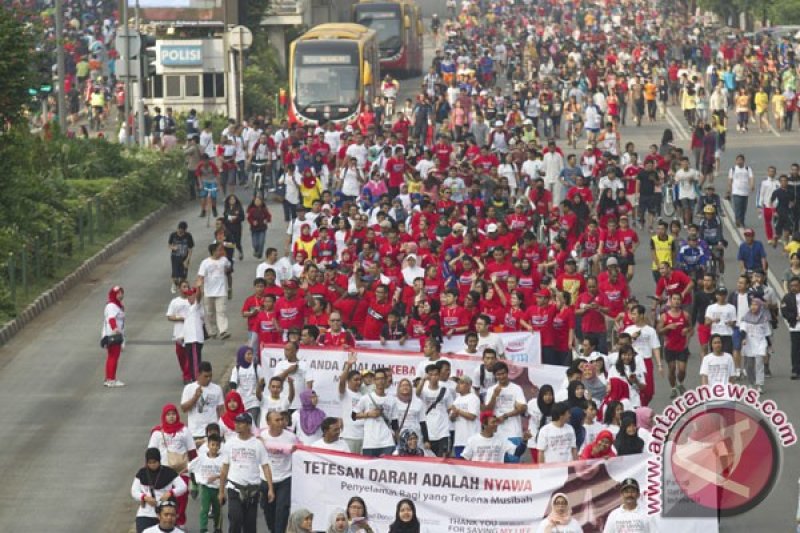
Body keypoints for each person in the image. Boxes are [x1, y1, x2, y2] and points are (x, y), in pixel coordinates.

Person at [219, 412, 275, 533]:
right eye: (236, 422)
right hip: (235, 488)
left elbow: (265, 466)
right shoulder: (230, 444)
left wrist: (270, 488)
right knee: (236, 519)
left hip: (252, 490)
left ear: (249, 425)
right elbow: (224, 468)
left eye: (241, 423)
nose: (237, 425)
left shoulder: (257, 444)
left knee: (250, 526)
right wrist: (221, 491)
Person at [148, 404, 196, 527]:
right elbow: (151, 455)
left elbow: (192, 452)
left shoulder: (184, 431)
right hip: (163, 473)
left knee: (181, 498)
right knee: (165, 502)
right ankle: (166, 524)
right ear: (164, 416)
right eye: (168, 415)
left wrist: (194, 472)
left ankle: (180, 524)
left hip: (182, 471)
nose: (171, 417)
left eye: (173, 414)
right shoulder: (157, 433)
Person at [131, 448, 187, 533]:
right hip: (146, 513)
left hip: (164, 513)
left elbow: (183, 487)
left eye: (155, 462)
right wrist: (144, 497)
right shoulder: (142, 473)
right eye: (150, 463)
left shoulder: (169, 472)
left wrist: (170, 493)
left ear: (159, 460)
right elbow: (134, 491)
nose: (152, 465)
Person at [260, 410, 299, 533]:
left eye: (282, 419)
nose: (281, 422)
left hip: (285, 478)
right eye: (277, 420)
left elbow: (301, 452)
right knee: (268, 511)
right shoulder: (262, 437)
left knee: (282, 510)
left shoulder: (291, 437)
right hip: (266, 479)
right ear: (268, 422)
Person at [485, 362, 527, 462]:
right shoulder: (491, 390)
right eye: (498, 374)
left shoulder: (516, 388)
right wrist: (494, 395)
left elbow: (522, 407)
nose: (501, 376)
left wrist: (506, 415)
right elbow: (488, 410)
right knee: (498, 465)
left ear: (507, 373)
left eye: (503, 373)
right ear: (495, 375)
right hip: (497, 433)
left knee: (513, 464)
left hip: (513, 432)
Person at [353, 367, 397, 457]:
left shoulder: (392, 400)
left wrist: (397, 438)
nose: (380, 381)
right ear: (374, 381)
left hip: (387, 442)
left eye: (382, 379)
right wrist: (368, 414)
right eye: (377, 379)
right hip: (370, 443)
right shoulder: (366, 398)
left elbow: (395, 423)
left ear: (386, 380)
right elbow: (353, 415)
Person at [181, 361, 225, 445]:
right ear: (198, 375)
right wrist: (195, 397)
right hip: (195, 433)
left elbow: (221, 410)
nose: (208, 378)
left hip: (212, 432)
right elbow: (184, 409)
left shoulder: (217, 389)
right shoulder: (189, 388)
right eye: (205, 376)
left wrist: (222, 429)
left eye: (210, 376)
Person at [416, 361, 454, 457]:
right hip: (428, 431)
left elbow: (450, 408)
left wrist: (453, 415)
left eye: (436, 374)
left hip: (443, 431)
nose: (434, 377)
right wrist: (423, 380)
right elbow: (417, 394)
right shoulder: (423, 390)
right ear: (428, 376)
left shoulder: (445, 390)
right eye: (431, 375)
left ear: (439, 375)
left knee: (444, 459)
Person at [188, 433, 224, 533]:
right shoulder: (202, 458)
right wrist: (178, 471)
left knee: (217, 510)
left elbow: (227, 474)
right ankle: (203, 529)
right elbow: (190, 466)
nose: (215, 447)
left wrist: (217, 477)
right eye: (212, 445)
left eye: (217, 445)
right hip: (205, 488)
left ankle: (217, 528)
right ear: (208, 445)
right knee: (204, 509)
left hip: (217, 488)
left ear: (220, 446)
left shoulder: (223, 459)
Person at [197, 243, 232, 339]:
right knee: (209, 313)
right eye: (219, 250)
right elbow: (200, 276)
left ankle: (223, 331)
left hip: (221, 291)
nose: (221, 252)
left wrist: (229, 286)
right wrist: (199, 286)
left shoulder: (224, 260)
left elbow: (229, 268)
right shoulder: (205, 262)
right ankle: (212, 331)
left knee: (221, 311)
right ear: (213, 251)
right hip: (208, 292)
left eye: (221, 250)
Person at [739, 298, 771, 392]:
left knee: (759, 364)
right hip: (749, 343)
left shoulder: (764, 319)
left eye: (756, 304)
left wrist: (769, 345)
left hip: (760, 343)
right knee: (749, 366)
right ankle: (751, 382)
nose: (753, 306)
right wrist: (743, 338)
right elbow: (743, 330)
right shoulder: (745, 318)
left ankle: (759, 385)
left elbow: (767, 333)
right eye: (752, 304)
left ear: (760, 306)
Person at [101, 285, 126, 387]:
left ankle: (109, 378)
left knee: (112, 357)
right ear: (114, 294)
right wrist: (115, 329)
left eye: (121, 293)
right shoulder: (111, 306)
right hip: (113, 335)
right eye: (118, 293)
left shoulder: (117, 305)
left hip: (114, 334)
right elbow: (111, 319)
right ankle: (111, 379)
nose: (121, 295)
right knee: (113, 357)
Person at [781, 276, 800, 380]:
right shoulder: (787, 298)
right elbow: (784, 312)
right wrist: (795, 317)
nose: (794, 288)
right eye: (792, 286)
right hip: (795, 327)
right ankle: (795, 370)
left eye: (796, 285)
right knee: (795, 349)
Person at [168, 221, 194, 294]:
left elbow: (190, 248)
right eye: (179, 231)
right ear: (177, 228)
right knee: (175, 274)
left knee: (183, 276)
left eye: (182, 232)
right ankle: (174, 285)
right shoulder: (173, 235)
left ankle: (183, 289)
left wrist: (187, 259)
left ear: (185, 230)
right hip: (175, 257)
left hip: (185, 258)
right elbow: (169, 245)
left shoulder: (188, 236)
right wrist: (173, 247)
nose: (180, 233)